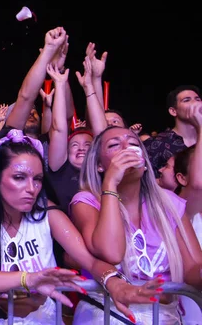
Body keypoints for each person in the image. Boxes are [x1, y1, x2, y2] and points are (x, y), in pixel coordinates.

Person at [0, 128, 161, 324]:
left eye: (37, 179)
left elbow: (91, 261)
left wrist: (115, 283)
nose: (31, 188)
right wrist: (28, 279)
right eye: (19, 177)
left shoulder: (48, 212)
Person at [70, 126, 202, 324]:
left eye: (133, 144)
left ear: (145, 163)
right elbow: (111, 253)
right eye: (115, 145)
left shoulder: (169, 203)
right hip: (107, 316)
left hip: (164, 317)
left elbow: (193, 269)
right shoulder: (87, 202)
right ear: (99, 165)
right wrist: (110, 184)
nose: (127, 148)